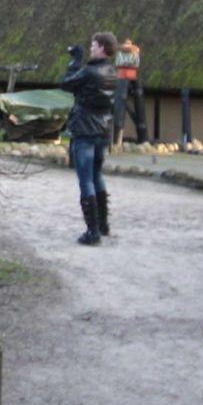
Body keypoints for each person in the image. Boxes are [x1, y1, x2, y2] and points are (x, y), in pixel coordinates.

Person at [59, 31, 119, 245]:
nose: (91, 48)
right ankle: (103, 225)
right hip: (103, 130)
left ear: (102, 47)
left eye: (93, 45)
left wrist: (75, 61)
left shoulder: (89, 72)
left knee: (86, 180)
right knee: (96, 175)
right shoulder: (112, 72)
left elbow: (66, 83)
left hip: (85, 129)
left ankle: (93, 232)